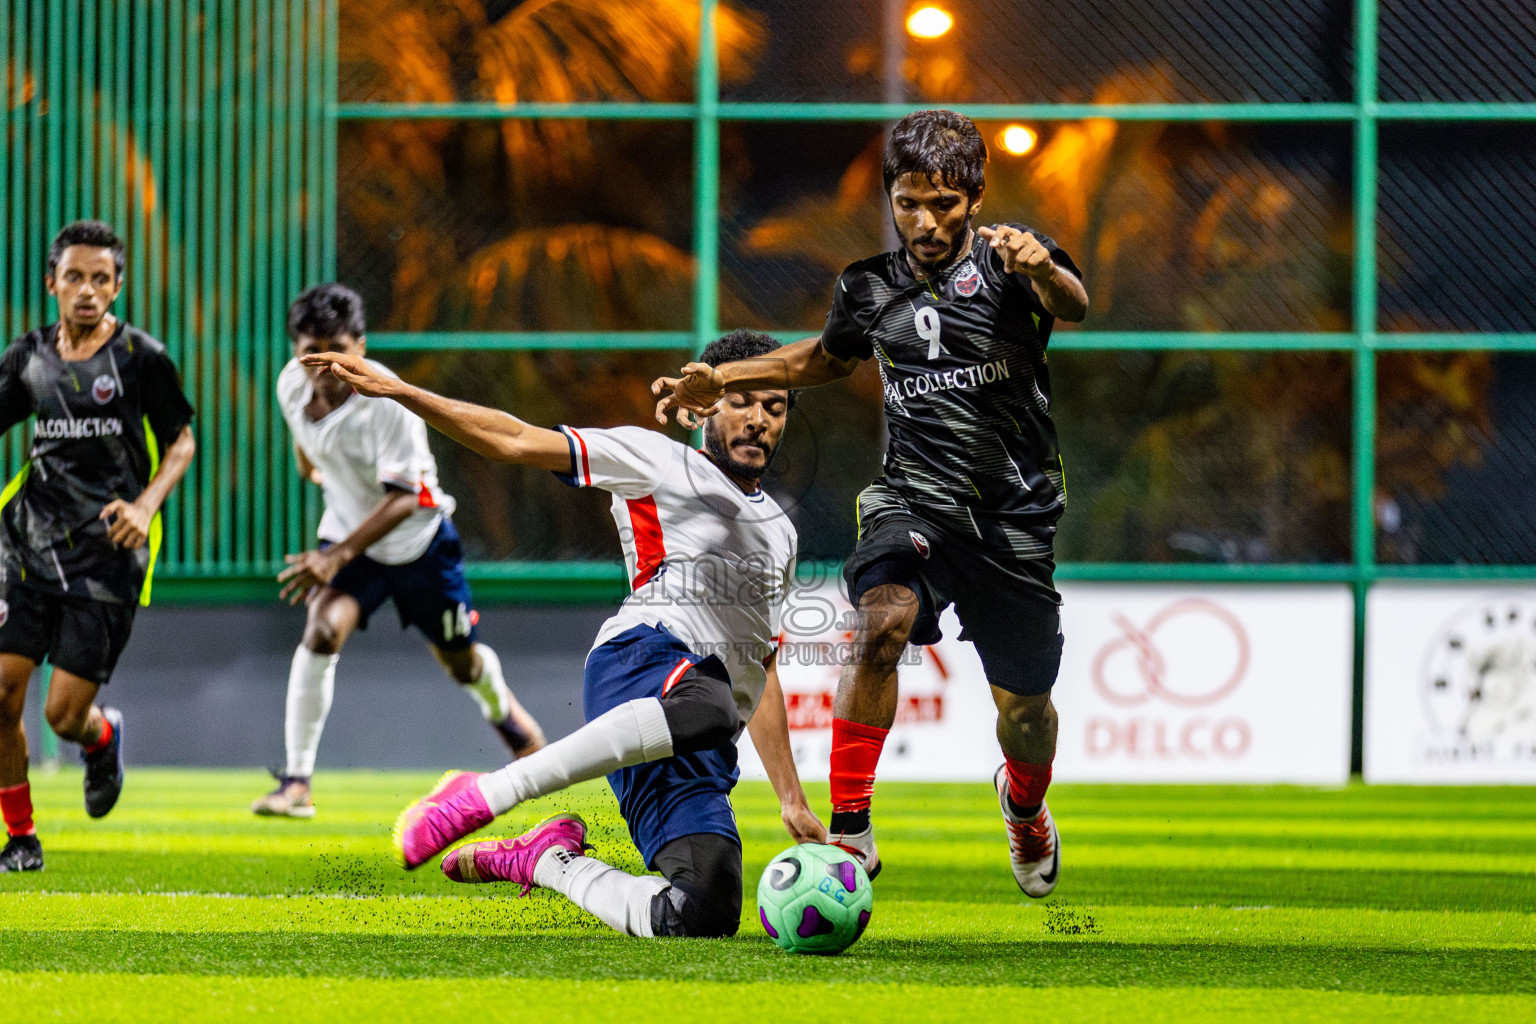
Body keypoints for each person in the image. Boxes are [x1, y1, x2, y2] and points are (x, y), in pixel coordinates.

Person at [652, 110, 1090, 898]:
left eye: (944, 205)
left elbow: (1076, 301)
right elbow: (823, 359)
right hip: (910, 499)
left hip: (1014, 520)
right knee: (881, 619)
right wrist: (725, 380)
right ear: (892, 195)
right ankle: (850, 827)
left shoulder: (1013, 262)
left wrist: (1043, 270)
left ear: (976, 199)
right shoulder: (868, 285)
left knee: (1027, 714)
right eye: (909, 202)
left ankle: (1024, 804)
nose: (926, 221)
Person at [308, 328, 823, 939]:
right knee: (709, 703)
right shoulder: (655, 459)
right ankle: (491, 791)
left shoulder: (782, 534)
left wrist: (791, 798)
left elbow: (759, 665)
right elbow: (514, 439)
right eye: (742, 400)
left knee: (705, 911)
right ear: (707, 402)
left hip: (699, 734)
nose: (759, 418)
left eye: (775, 405)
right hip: (642, 660)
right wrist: (400, 392)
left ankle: (548, 860)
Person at [251, 284, 545, 818]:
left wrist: (336, 555)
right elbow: (305, 441)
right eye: (309, 353)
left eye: (336, 350)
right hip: (349, 538)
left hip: (420, 544)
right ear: (295, 351)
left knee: (461, 661)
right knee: (320, 629)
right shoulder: (290, 386)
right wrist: (310, 465)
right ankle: (296, 784)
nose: (324, 366)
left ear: (359, 346)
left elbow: (407, 497)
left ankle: (510, 722)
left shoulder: (388, 401)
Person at [0, 220, 198, 872]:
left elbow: (182, 441)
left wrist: (145, 505)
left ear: (118, 286)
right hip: (27, 541)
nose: (88, 291)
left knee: (62, 717)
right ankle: (22, 839)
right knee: (2, 692)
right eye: (75, 277)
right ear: (52, 282)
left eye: (101, 279)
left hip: (108, 552)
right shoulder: (28, 357)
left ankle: (102, 735)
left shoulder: (142, 358)